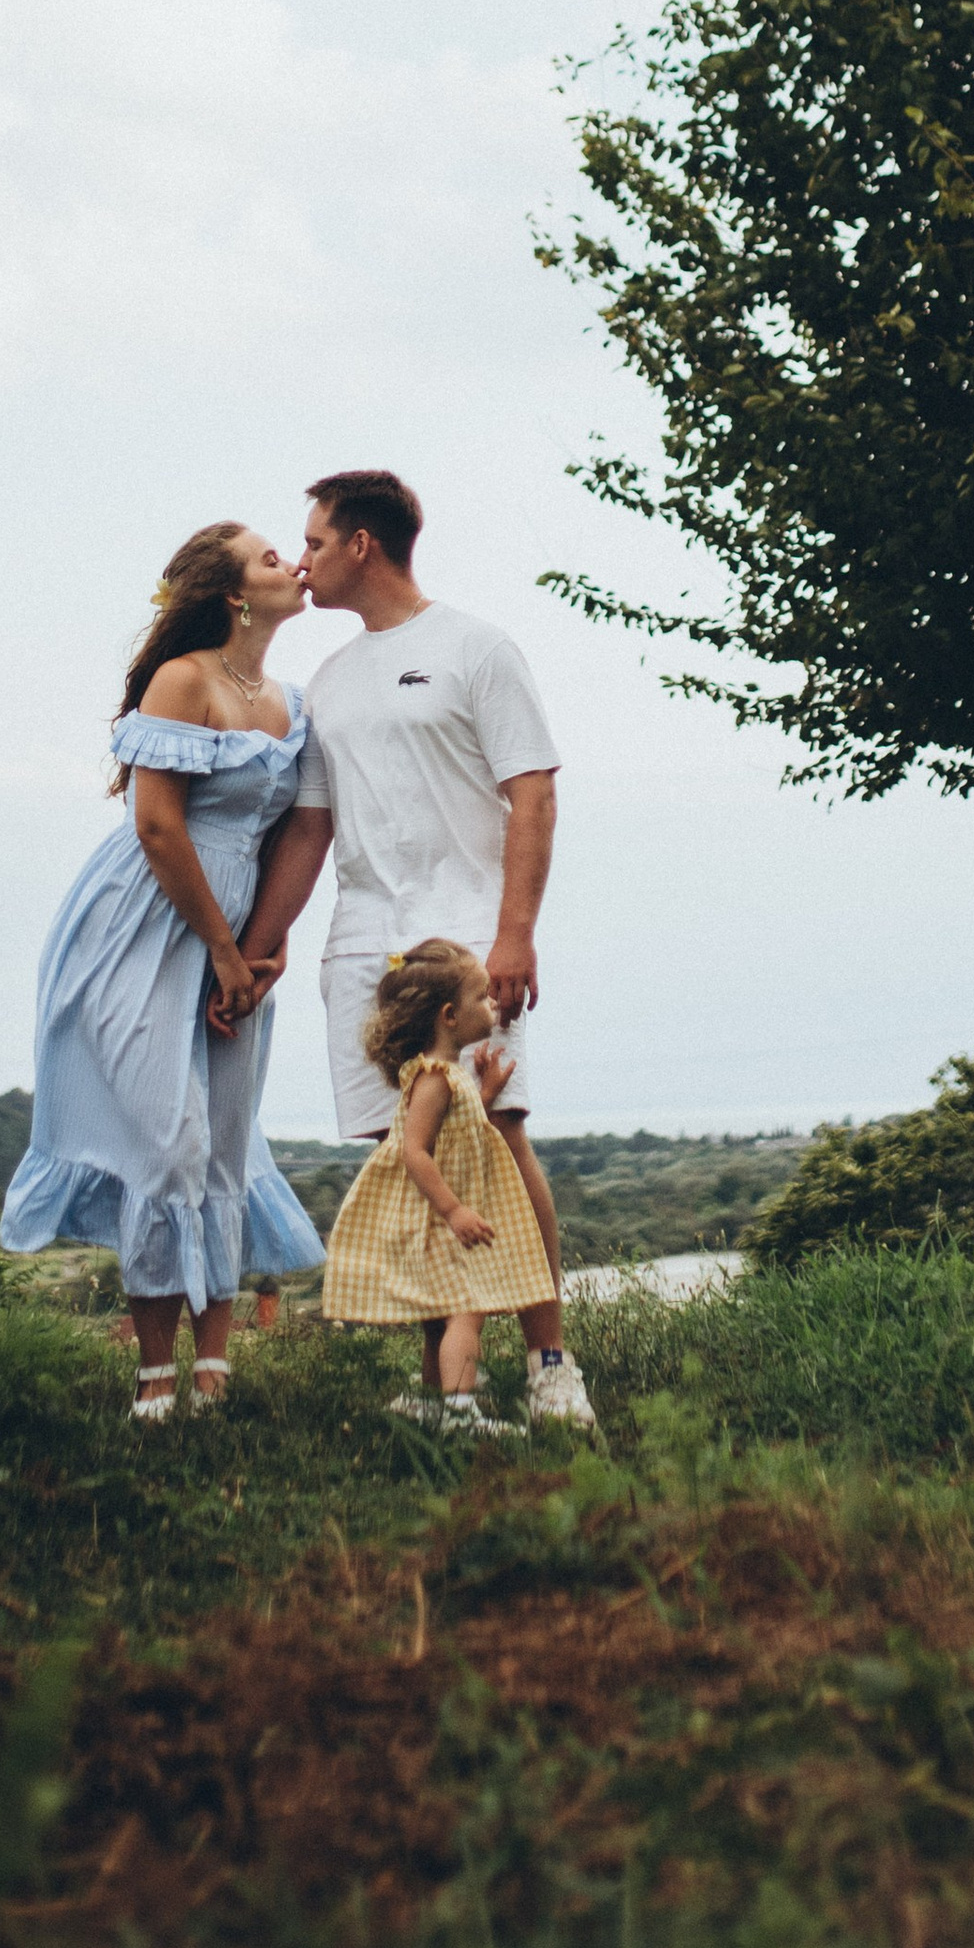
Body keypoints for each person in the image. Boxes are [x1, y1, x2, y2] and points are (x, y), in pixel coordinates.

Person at [241, 466, 599, 1432]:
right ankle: (453, 1388)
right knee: (409, 1159)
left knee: (500, 1134)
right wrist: (261, 943)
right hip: (363, 946)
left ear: (362, 543)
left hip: (466, 943)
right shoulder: (328, 682)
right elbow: (311, 829)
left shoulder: (476, 648)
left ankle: (551, 1363)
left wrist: (514, 932)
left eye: (313, 540)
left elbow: (534, 791)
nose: (302, 558)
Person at [0, 520, 324, 1420]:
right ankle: (152, 1376)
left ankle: (213, 1369)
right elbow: (157, 826)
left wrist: (267, 942)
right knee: (163, 1141)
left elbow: (294, 832)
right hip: (145, 922)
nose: (291, 563)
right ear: (231, 594)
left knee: (222, 1139)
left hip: (235, 931)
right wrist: (222, 947)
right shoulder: (182, 681)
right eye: (269, 557)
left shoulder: (294, 702)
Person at [320, 942, 554, 1427]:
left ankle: (432, 1401)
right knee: (467, 1311)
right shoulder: (433, 1079)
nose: (492, 1005)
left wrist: (484, 1091)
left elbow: (460, 1126)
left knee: (444, 1316)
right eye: (482, 998)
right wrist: (454, 1211)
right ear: (450, 1015)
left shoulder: (450, 1075)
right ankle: (460, 1409)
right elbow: (415, 1150)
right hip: (442, 1219)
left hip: (445, 1219)